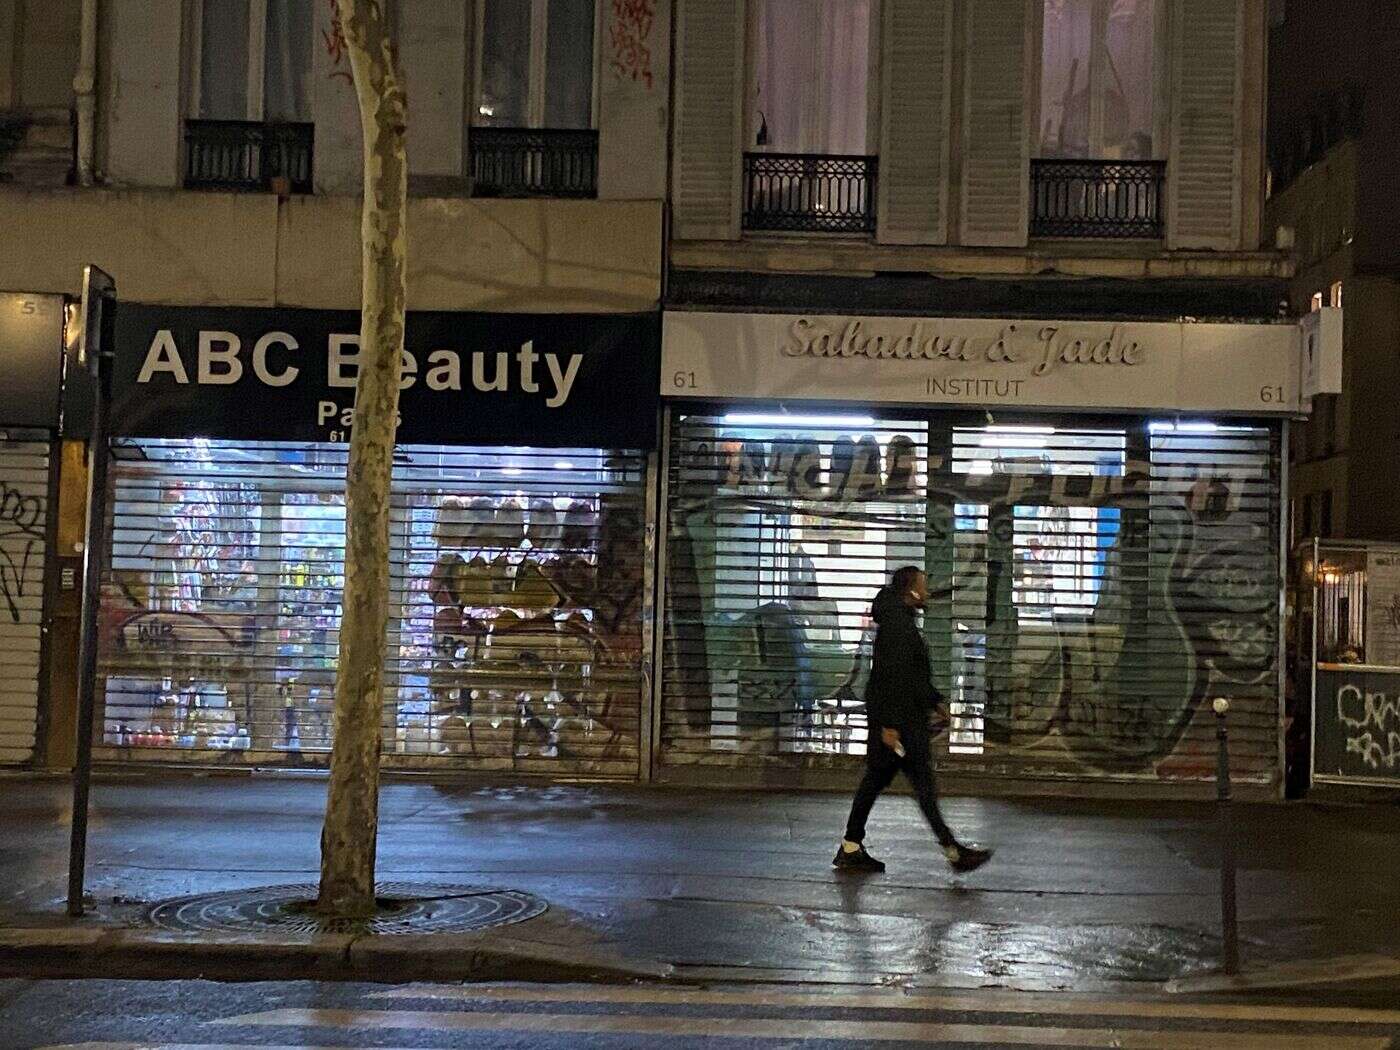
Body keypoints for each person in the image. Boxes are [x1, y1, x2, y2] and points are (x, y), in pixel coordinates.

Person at [835, 566, 993, 875]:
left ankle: (851, 847)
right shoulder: (898, 627)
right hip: (901, 724)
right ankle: (953, 852)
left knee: (878, 781)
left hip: (903, 720)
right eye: (924, 585)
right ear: (910, 591)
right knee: (921, 786)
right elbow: (888, 678)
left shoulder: (901, 622)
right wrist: (890, 726)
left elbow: (911, 674)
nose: (928, 591)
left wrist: (934, 700)